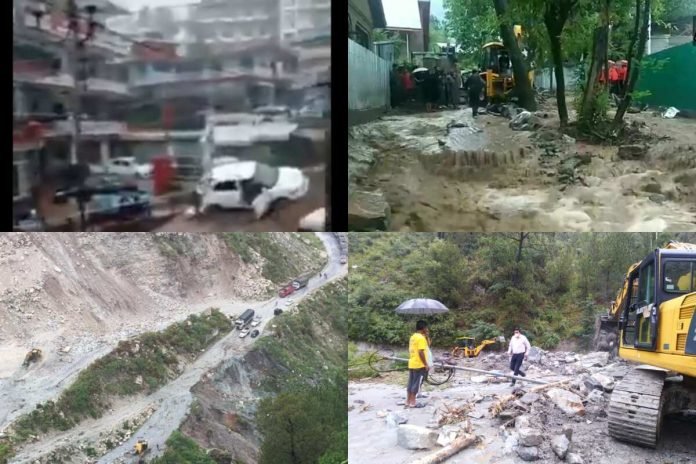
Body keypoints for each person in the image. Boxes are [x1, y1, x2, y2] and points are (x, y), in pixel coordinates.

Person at [406, 320, 430, 408]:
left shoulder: (413, 337)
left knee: (411, 382)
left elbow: (426, 346)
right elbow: (421, 352)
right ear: (423, 328)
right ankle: (413, 402)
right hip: (419, 365)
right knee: (417, 383)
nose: (427, 329)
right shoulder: (421, 338)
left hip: (412, 363)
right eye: (426, 328)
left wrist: (427, 337)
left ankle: (408, 401)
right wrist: (426, 364)